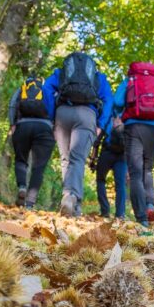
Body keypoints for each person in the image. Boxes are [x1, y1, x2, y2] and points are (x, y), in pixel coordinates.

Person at [43, 52, 114, 216]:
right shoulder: (98, 77)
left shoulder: (61, 74)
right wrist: (101, 125)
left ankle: (74, 205)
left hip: (62, 114)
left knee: (66, 159)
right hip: (86, 115)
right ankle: (71, 196)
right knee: (78, 159)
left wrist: (52, 115)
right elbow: (108, 100)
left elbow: (46, 89)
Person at [114, 61, 154, 226]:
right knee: (147, 170)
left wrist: (125, 111)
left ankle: (142, 218)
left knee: (135, 173)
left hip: (133, 127)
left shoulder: (129, 81)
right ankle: (150, 205)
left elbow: (117, 102)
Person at [8, 76, 55, 209]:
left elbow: (12, 105)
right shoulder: (47, 89)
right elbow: (54, 106)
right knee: (38, 167)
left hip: (22, 125)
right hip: (44, 128)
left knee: (21, 160)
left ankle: (22, 187)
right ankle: (30, 202)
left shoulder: (22, 89)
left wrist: (12, 124)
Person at [90, 116, 127, 219]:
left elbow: (97, 140)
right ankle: (120, 214)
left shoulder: (107, 117)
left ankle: (105, 210)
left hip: (107, 153)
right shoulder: (127, 118)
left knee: (100, 180)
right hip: (122, 155)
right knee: (121, 185)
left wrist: (93, 158)